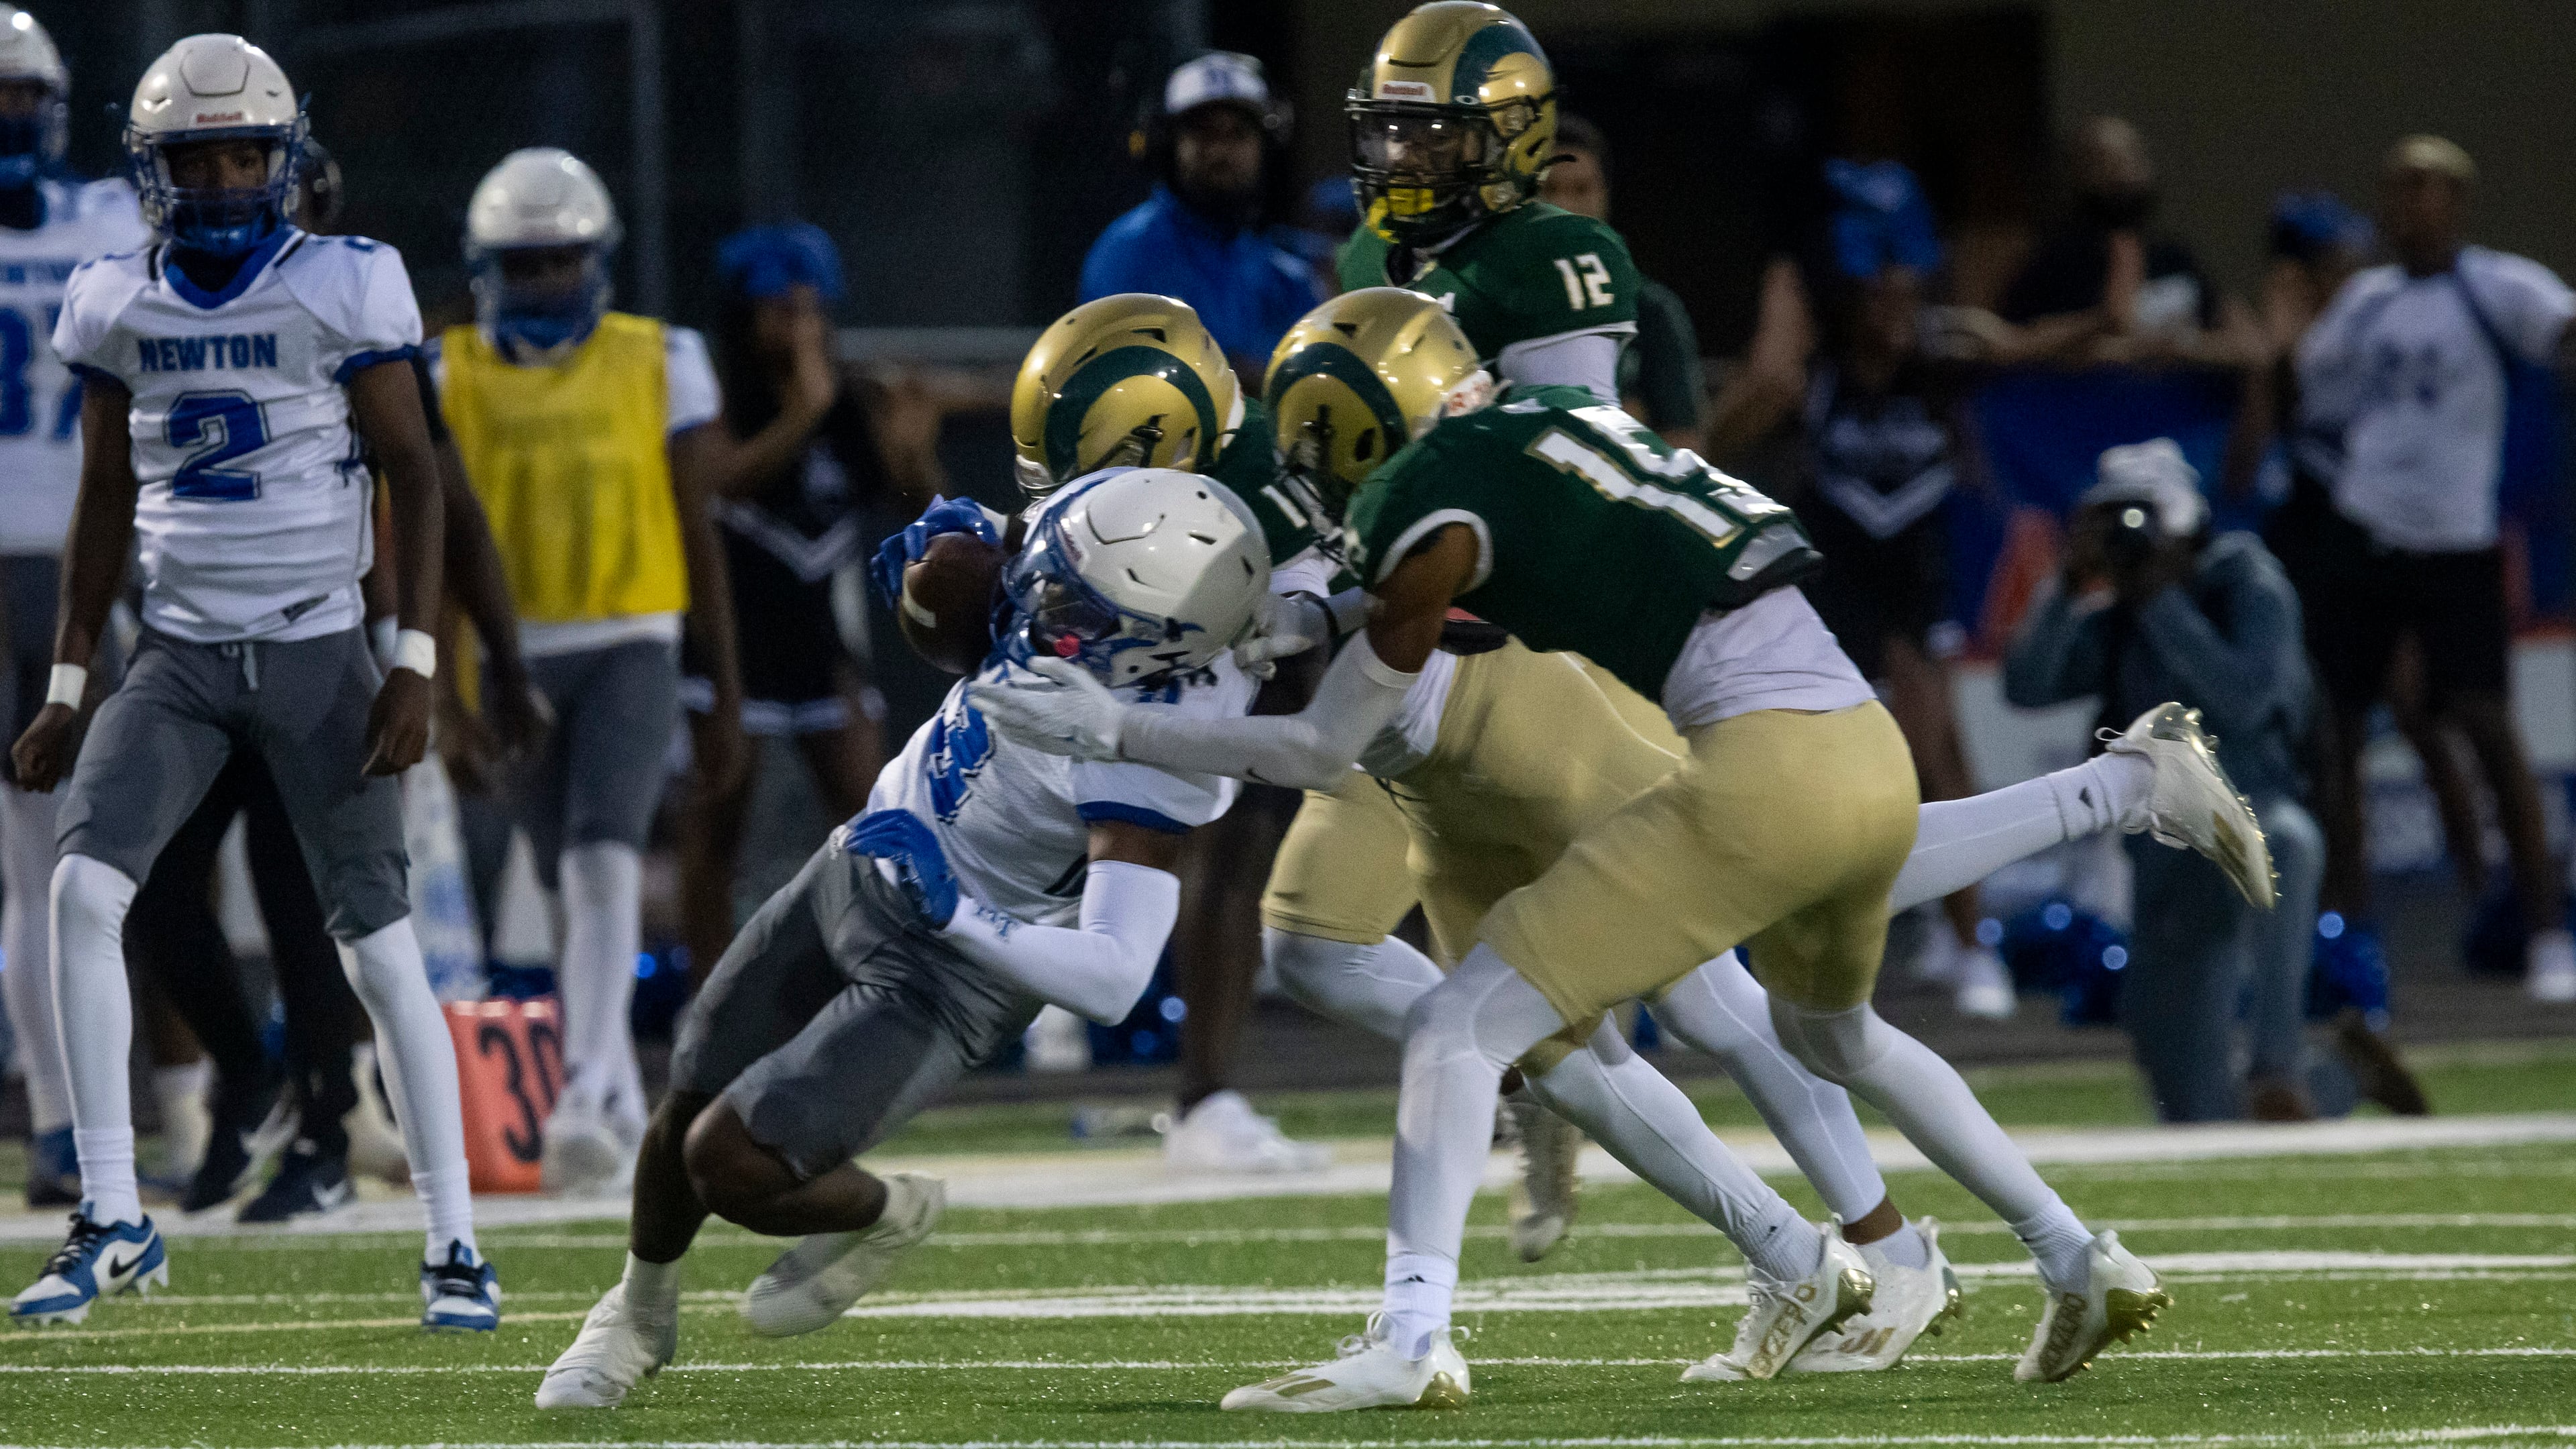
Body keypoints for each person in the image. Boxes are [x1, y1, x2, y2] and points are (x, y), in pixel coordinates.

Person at [975, 288, 2277, 1403]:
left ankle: (1432, 1333)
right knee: (1726, 1016)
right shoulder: (1483, 438)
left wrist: (1117, 715)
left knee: (1641, 991)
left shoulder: (1401, 499)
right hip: (1585, 750)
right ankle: (1950, 1244)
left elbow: (1322, 723)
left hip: (1585, 736)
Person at [533, 467, 1271, 1409]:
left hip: (959, 966)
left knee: (731, 1163)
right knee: (694, 1073)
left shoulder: (1161, 755)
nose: (1038, 608)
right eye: (1051, 576)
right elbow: (987, 564)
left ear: (1155, 646)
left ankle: (886, 1213)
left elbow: (1118, 978)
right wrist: (942, 561)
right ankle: (636, 1313)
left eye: (1073, 607)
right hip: (869, 855)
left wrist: (958, 911)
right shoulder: (1101, 544)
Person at [8, 34, 493, 1330]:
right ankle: (114, 1213)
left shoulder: (343, 285)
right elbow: (104, 492)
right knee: (81, 887)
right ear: (152, 174)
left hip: (315, 647)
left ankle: (455, 1240)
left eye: (242, 156)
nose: (223, 181)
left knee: (379, 952)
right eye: (196, 160)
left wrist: (414, 663)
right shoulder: (117, 298)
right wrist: (67, 682)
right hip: (171, 656)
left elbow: (417, 471)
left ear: (282, 162)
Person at [120, 141, 544, 1221]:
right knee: (152, 881)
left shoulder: (356, 326)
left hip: (323, 645)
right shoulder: (165, 312)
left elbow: (442, 498)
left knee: (302, 898)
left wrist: (461, 661)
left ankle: (318, 1128)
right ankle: (249, 1071)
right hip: (194, 643)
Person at [432, 147, 746, 1193]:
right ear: (486, 268)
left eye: (560, 262)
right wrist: (443, 688)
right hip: (510, 649)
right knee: (568, 878)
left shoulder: (663, 356)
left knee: (607, 857)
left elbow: (702, 529)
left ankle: (581, 1094)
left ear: (597, 260)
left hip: (631, 632)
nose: (544, 285)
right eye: (524, 268)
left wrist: (723, 686)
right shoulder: (446, 372)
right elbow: (429, 539)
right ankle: (607, 1092)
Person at [1001, 291, 1332, 1172]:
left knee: (1242, 849)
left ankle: (1204, 1095)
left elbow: (1318, 622)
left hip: (1236, 672)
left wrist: (1270, 623)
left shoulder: (1266, 467)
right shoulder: (1167, 440)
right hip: (1128, 671)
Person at [1713, 158, 2013, 1019]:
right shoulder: (1818, 378)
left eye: (1903, 292)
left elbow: (2071, 338)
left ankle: (1973, 943)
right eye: (1873, 293)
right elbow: (1764, 384)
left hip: (1912, 589)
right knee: (1808, 767)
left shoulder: (1943, 368)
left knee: (1935, 754)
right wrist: (1788, 273)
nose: (1891, 307)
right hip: (1828, 585)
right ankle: (1797, 947)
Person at [2292, 136, 2576, 1006]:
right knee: (2335, 729)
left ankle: (2545, 930)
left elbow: (2562, 333)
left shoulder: (2497, 287)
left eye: (2428, 188)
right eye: (2397, 187)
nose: (2410, 203)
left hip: (2457, 537)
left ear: (2458, 200)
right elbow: (2315, 386)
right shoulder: (2366, 303)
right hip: (2365, 527)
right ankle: (2349, 929)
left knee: (2486, 724)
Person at [2006, 441, 2325, 1120]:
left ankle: (2279, 1064)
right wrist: (2065, 586)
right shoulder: (2119, 616)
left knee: (2291, 845)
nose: (2128, 542)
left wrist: (2162, 604)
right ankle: (2345, 1081)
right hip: (2162, 842)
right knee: (2187, 1099)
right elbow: (2027, 685)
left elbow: (2243, 697)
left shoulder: (2245, 585)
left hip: (2251, 803)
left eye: (2137, 521)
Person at [674, 223, 938, 990]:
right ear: (743, 315)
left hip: (825, 649)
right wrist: (800, 412)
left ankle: (886, 983)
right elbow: (723, 482)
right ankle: (710, 998)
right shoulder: (715, 400)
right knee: (718, 821)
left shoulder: (848, 403)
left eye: (811, 309)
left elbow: (917, 504)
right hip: (732, 652)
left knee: (875, 815)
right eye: (780, 310)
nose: (801, 328)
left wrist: (914, 446)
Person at [0, 3, 149, 1211]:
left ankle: (75, 1110)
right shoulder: (108, 222)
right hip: (36, 557)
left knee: (58, 855)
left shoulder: (114, 217)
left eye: (19, 99)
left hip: (81, 561)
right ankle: (61, 1111)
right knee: (33, 856)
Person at [1079, 52, 1321, 379]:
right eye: (1203, 133)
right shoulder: (1128, 254)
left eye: (1238, 134)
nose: (1221, 151)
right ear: (1168, 145)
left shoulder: (1288, 275)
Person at [1537, 114, 1704, 450]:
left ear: (1605, 195)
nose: (1565, 207)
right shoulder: (1500, 303)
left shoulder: (1651, 309)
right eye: (1549, 190)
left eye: (1582, 189)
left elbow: (1685, 443)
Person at [1999, 116, 2225, 361]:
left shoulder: (2174, 257)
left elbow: (2244, 343)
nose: (2124, 174)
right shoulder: (2055, 261)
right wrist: (2102, 324)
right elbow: (2010, 342)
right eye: (2106, 162)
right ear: (2079, 174)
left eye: (2134, 157)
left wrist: (2187, 346)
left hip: (2178, 392)